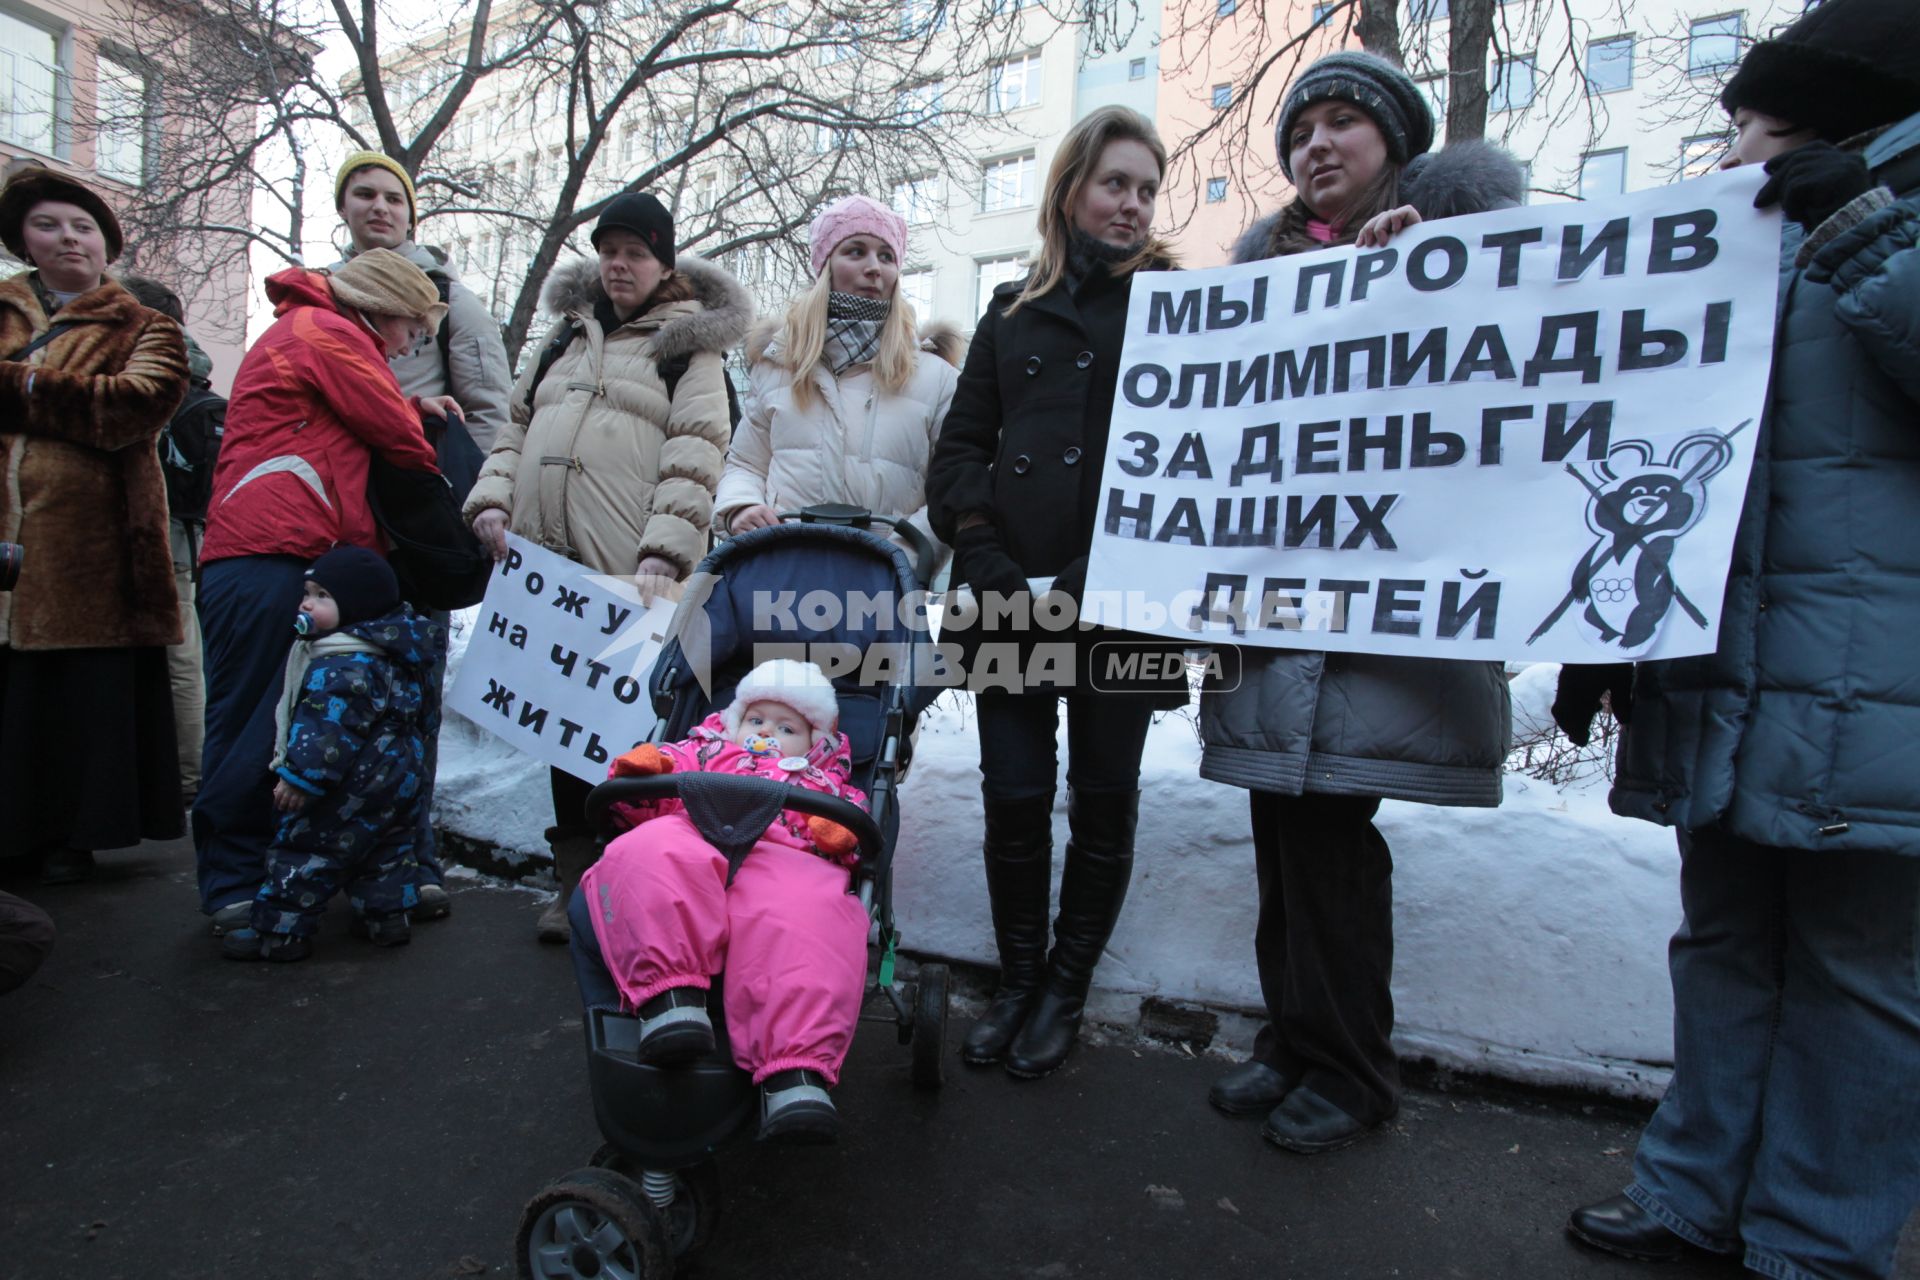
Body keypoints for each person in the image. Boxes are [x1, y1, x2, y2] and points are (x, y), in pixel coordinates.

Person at [1559, 3, 1920, 1275]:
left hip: (1876, 695)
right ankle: (1688, 1192)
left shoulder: (1869, 227)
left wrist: (1864, 229)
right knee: (1722, 944)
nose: (1728, 148)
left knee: (1862, 979)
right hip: (1729, 674)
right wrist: (1601, 624)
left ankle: (1817, 1241)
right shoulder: (1739, 243)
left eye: (1752, 120)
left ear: (1834, 118)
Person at [1198, 51, 1518, 1155]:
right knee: (1281, 834)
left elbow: (1501, 402)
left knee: (1334, 840)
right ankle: (1293, 1040)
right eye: (1302, 131)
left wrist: (1432, 269)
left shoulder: (1469, 249)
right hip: (1273, 614)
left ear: (1395, 145)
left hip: (1377, 625)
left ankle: (1353, 1069)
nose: (1317, 145)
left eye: (1343, 123)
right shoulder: (1260, 275)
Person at [925, 106, 1192, 1081]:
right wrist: (988, 556)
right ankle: (1019, 979)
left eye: (1148, 189)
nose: (1133, 204)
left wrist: (1095, 573)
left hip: (1121, 598)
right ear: (1072, 188)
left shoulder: (1180, 306)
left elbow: (1183, 465)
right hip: (1008, 596)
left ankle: (1065, 992)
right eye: (1117, 182)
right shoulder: (1008, 312)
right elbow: (959, 455)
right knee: (1016, 794)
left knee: (1104, 799)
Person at [463, 191, 752, 945]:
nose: (619, 264)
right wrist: (492, 500)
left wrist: (664, 551)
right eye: (610, 250)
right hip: (546, 568)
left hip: (631, 578)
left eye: (636, 252)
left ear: (663, 263)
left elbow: (696, 454)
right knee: (565, 737)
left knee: (624, 739)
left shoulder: (691, 348)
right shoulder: (565, 338)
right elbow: (514, 428)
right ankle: (573, 886)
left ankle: (630, 885)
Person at [194, 248, 456, 934]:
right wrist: (418, 420)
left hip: (280, 551)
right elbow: (400, 439)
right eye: (410, 328)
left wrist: (406, 400)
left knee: (289, 715)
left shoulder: (317, 334)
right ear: (381, 309)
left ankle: (261, 881)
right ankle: (235, 882)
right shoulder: (326, 332)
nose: (409, 344)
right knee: (260, 715)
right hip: (269, 553)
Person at [568, 659, 868, 1142]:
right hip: (694, 831)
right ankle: (670, 1000)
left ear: (815, 743)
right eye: (756, 719)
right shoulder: (702, 750)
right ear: (734, 720)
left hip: (778, 857)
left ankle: (795, 1070)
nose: (767, 731)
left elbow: (848, 823)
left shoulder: (818, 781)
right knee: (648, 849)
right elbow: (646, 790)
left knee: (807, 910)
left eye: (786, 727)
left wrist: (834, 831)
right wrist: (646, 772)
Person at [330, 152, 516, 918]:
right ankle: (331, 842)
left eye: (392, 198)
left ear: (411, 214)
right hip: (339, 517)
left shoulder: (447, 298)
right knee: (335, 688)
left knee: (410, 689)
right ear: (343, 208)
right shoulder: (324, 295)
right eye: (363, 195)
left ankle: (414, 852)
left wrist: (472, 502)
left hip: (413, 520)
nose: (379, 208)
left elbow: (491, 410)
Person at [0, 166, 189, 885]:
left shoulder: (145, 326)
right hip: (6, 545)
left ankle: (70, 835)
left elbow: (131, 408)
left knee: (76, 699)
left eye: (82, 227)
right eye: (49, 225)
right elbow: (92, 401)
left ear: (105, 246)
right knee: (11, 693)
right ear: (24, 237)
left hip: (96, 550)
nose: (67, 238)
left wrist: (18, 385)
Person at [221, 547, 444, 962]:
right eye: (307, 592)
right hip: (397, 780)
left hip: (343, 786)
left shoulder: (341, 663)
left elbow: (325, 731)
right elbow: (425, 718)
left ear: (357, 605)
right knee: (386, 852)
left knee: (305, 851)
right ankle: (386, 918)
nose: (306, 603)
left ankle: (281, 933)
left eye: (322, 595)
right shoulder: (403, 652)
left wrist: (301, 779)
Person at [716, 195, 961, 552]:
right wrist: (740, 508)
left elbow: (950, 488)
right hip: (783, 571)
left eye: (887, 256)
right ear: (825, 265)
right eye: (856, 251)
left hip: (886, 586)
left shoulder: (936, 378)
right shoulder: (777, 366)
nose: (875, 267)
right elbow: (745, 463)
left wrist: (903, 555)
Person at [119, 274, 226, 807]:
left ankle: (185, 773)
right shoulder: (198, 376)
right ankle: (186, 770)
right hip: (192, 531)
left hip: (152, 528)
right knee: (184, 652)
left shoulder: (142, 365)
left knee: (178, 654)